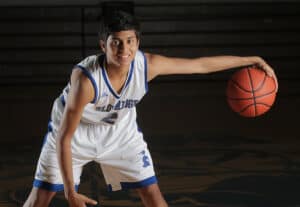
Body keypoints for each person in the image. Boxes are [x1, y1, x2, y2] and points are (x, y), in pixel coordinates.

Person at [23, 10, 277, 207]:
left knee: (152, 194)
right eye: (116, 43)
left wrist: (251, 59)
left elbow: (199, 65)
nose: (125, 49)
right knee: (41, 198)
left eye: (130, 41)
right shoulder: (86, 80)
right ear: (103, 45)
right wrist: (70, 191)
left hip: (119, 132)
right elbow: (65, 138)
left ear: (138, 41)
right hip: (75, 135)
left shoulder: (148, 65)